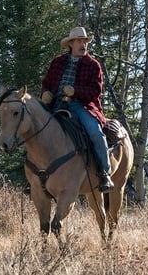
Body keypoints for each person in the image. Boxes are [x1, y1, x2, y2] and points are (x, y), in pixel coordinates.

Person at [40, 26, 114, 193]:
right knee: (36, 129)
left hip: (81, 106)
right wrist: (45, 94)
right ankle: (36, 175)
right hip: (56, 104)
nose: (83, 45)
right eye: (79, 41)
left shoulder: (93, 65)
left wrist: (75, 91)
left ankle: (104, 173)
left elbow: (96, 91)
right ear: (71, 44)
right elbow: (47, 82)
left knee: (95, 133)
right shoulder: (57, 62)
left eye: (85, 41)